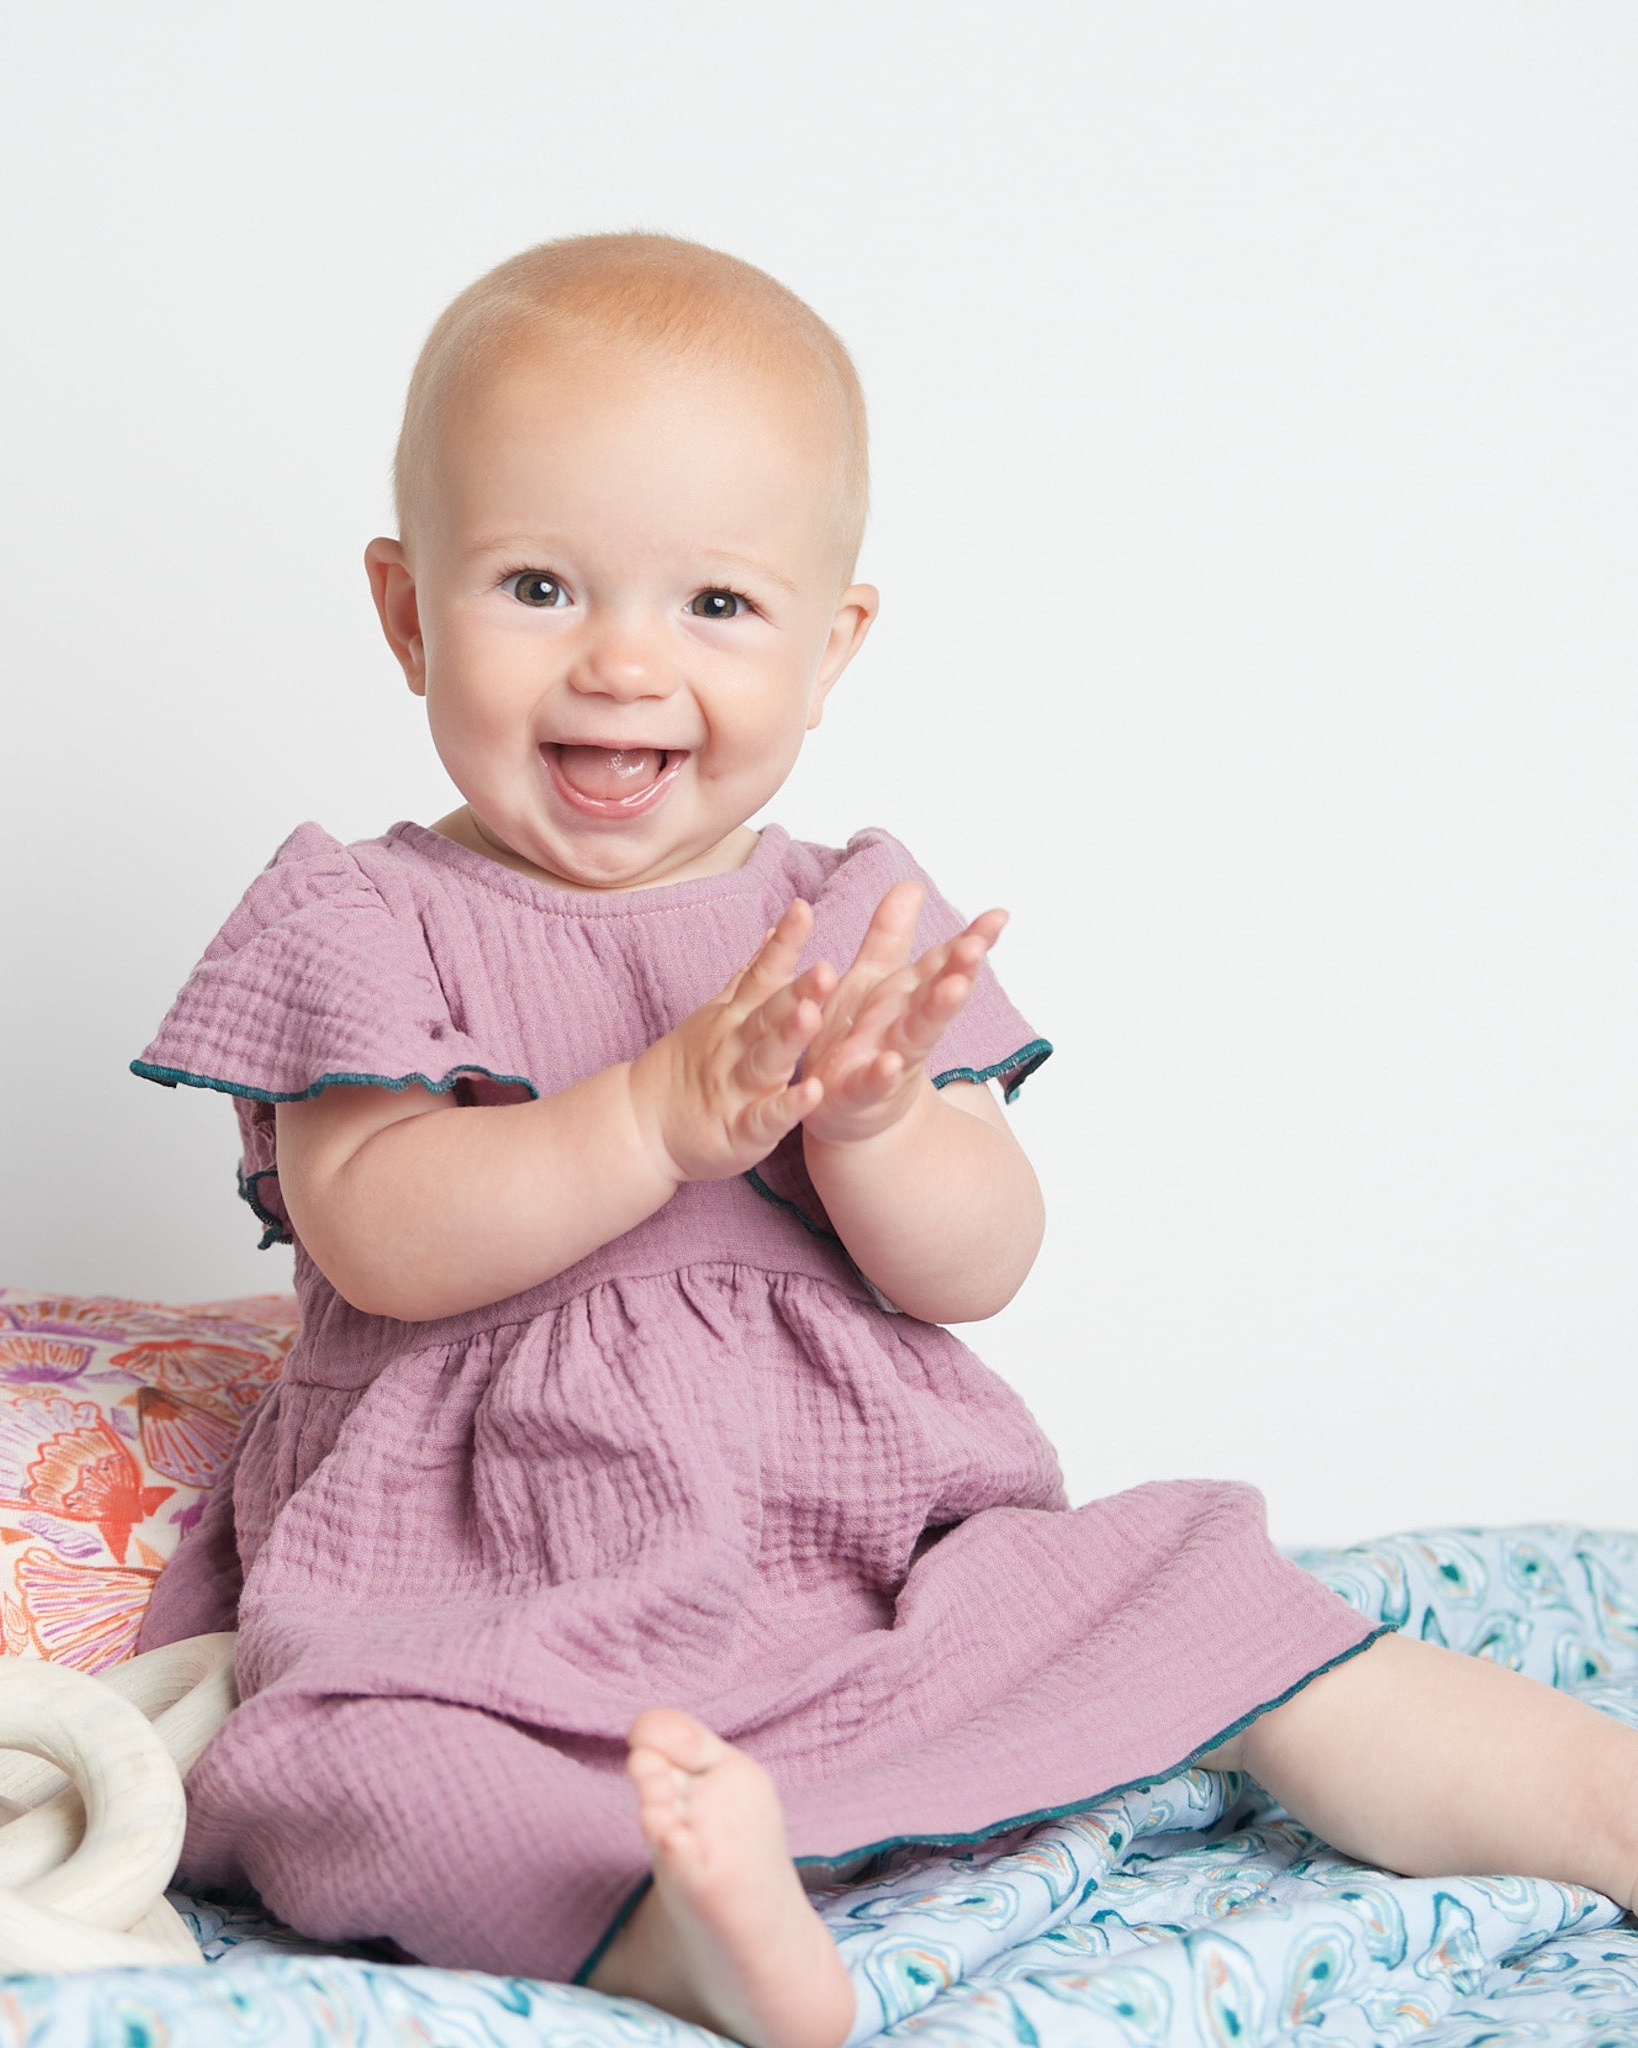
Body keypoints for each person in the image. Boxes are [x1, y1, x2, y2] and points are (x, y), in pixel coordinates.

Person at [131, 231, 1638, 2048]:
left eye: (717, 607)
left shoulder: (852, 916)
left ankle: (1597, 1806)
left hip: (873, 1560)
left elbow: (980, 1263)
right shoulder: (358, 919)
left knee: (1189, 1584)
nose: (623, 662)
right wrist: (658, 1113)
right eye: (538, 585)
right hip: (488, 1600)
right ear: (406, 613)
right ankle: (690, 1938)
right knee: (337, 1780)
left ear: (832, 645)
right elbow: (377, 1227)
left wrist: (881, 1118)